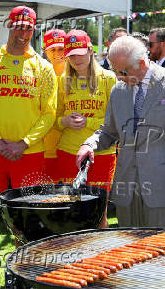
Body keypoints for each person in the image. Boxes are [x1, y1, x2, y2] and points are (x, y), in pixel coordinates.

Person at [76, 36, 165, 228]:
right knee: (129, 248)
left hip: (163, 187)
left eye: (123, 71)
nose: (118, 76)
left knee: (160, 250)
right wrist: (89, 144)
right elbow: (109, 131)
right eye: (114, 70)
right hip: (127, 188)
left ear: (142, 62)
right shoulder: (118, 90)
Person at [0, 6, 57, 262]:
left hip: (29, 153)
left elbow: (48, 114)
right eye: (19, 26)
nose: (23, 32)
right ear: (9, 25)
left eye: (28, 27)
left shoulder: (44, 68)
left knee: (26, 214)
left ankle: (25, 270)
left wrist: (24, 143)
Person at [54, 29, 116, 228]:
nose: (76, 59)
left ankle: (100, 258)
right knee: (70, 211)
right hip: (67, 152)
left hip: (101, 153)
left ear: (91, 50)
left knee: (99, 213)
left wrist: (87, 122)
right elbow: (53, 119)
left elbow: (114, 120)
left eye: (80, 53)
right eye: (71, 55)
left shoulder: (108, 79)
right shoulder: (62, 81)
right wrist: (65, 122)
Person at [43, 29, 66, 182]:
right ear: (46, 52)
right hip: (45, 148)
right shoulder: (40, 74)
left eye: (61, 49)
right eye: (53, 49)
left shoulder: (76, 75)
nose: (57, 53)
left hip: (69, 147)